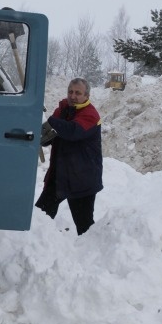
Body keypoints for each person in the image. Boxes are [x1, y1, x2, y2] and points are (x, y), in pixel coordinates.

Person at [36, 78, 103, 235]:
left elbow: (72, 131)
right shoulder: (64, 109)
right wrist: (44, 136)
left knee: (84, 226)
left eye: (78, 93)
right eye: (70, 92)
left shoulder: (91, 115)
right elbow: (51, 134)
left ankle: (90, 255)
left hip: (82, 179)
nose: (73, 96)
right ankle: (35, 248)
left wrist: (51, 120)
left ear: (86, 95)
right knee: (40, 216)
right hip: (60, 176)